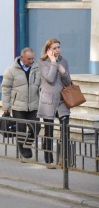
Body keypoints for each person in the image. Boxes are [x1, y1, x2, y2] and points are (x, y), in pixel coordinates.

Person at [1, 47, 41, 161]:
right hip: (18, 105)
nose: (31, 61)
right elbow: (6, 89)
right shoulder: (11, 70)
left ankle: (26, 145)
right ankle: (24, 151)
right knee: (21, 130)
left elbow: (41, 85)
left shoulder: (37, 69)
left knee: (36, 128)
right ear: (22, 57)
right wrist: (6, 107)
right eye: (29, 59)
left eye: (32, 58)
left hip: (33, 105)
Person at [37, 38, 71, 169]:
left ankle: (64, 159)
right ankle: (49, 160)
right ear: (48, 50)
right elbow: (50, 79)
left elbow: (68, 82)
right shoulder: (42, 62)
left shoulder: (64, 61)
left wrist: (63, 72)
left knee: (65, 130)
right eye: (54, 48)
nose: (57, 50)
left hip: (62, 100)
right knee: (49, 132)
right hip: (48, 101)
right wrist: (53, 63)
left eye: (58, 47)